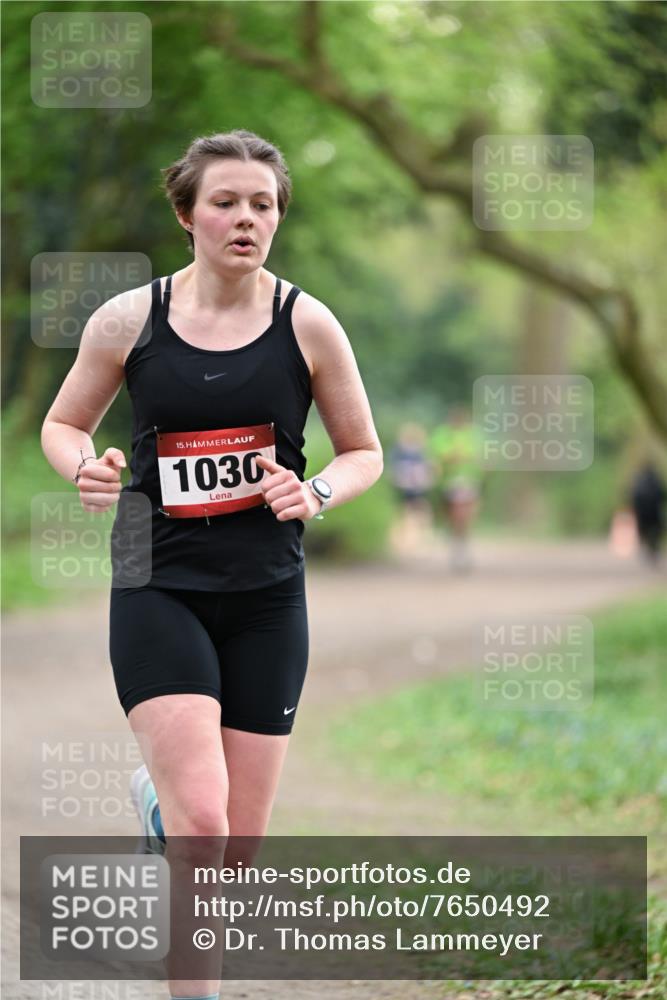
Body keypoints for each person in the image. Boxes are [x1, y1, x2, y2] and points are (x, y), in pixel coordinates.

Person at [40, 129, 384, 999]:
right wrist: (84, 467)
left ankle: (155, 807)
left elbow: (363, 452)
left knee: (235, 846)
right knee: (203, 823)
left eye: (262, 204)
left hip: (267, 592)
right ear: (187, 215)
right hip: (154, 579)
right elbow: (65, 424)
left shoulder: (307, 323)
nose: (246, 219)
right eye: (225, 202)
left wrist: (316, 492)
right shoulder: (128, 320)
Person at [428, 406, 483, 572]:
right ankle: (455, 538)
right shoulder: (442, 434)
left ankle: (462, 542)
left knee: (467, 516)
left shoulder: (473, 435)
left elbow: (480, 455)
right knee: (454, 515)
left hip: (470, 480)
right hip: (450, 482)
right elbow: (436, 455)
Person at [388, 422, 434, 554]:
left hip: (416, 487)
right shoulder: (399, 452)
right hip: (405, 487)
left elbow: (428, 468)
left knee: (419, 510)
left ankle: (421, 535)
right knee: (407, 512)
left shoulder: (419, 452)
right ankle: (406, 539)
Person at [629, 460, 666, 564]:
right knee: (656, 532)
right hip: (654, 513)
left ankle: (647, 549)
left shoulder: (639, 481)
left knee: (644, 532)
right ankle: (653, 550)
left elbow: (634, 496)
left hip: (643, 514)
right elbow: (662, 495)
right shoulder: (656, 480)